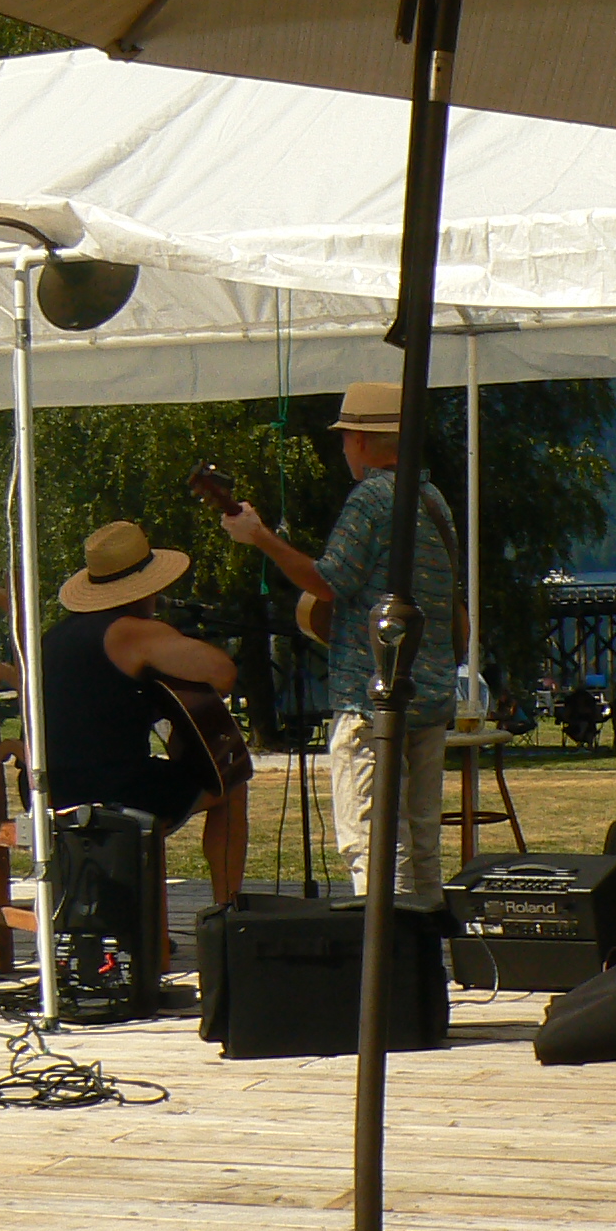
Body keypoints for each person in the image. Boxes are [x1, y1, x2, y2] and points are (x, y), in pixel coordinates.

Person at [222, 382, 459, 908]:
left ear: (361, 441)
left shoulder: (371, 499)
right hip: (430, 693)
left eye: (346, 437)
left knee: (373, 842)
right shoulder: (433, 500)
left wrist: (259, 536)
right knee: (422, 840)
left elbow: (329, 581)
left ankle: (386, 950)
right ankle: (426, 950)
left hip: (372, 699)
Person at [42, 521, 249, 903]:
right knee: (231, 783)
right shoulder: (132, 632)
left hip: (49, 789)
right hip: (113, 790)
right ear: (145, 588)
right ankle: (227, 906)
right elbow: (223, 672)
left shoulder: (55, 636)